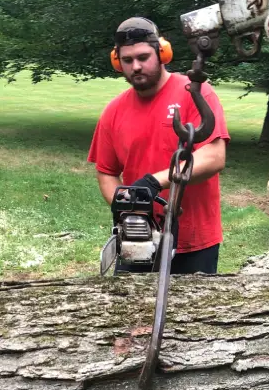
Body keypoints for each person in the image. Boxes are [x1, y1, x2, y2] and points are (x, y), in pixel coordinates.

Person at [88, 17, 230, 274]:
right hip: (137, 240)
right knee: (128, 310)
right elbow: (106, 171)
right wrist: (125, 207)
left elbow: (214, 156)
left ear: (162, 53)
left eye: (143, 57)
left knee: (195, 313)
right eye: (128, 60)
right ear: (117, 63)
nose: (136, 66)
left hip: (194, 240)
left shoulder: (195, 93)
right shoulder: (114, 111)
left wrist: (155, 182)